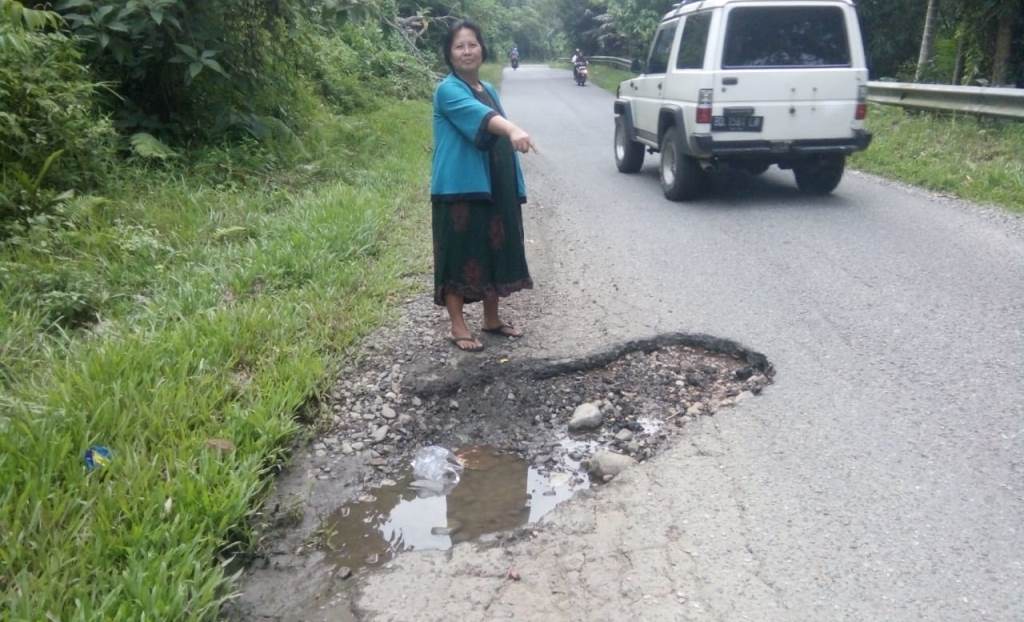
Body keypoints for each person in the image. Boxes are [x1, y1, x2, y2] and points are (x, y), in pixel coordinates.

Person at [431, 21, 536, 352]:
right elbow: (481, 119)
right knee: (459, 252)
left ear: (482, 49)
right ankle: (457, 325)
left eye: (472, 44)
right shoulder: (448, 89)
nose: (466, 51)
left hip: (494, 183)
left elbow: (490, 115)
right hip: (460, 186)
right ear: (449, 54)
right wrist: (514, 129)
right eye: (459, 46)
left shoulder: (488, 88)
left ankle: (491, 319)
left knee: (494, 246)